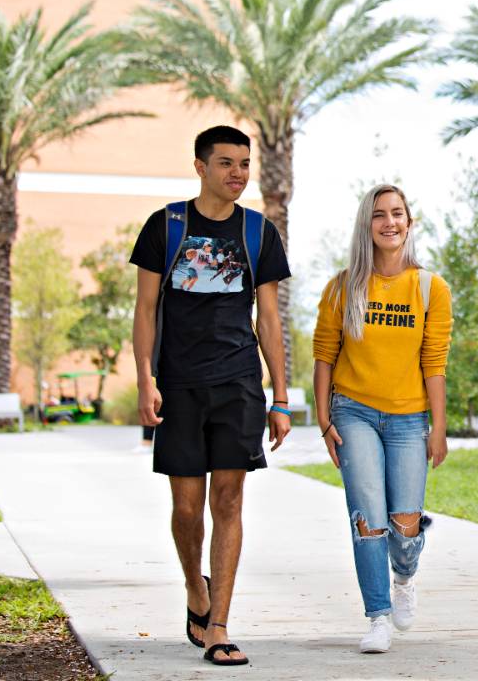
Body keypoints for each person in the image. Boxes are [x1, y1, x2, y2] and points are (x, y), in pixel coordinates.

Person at [130, 125, 292, 667]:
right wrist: (144, 379)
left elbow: (268, 319)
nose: (238, 174)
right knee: (185, 507)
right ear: (200, 167)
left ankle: (218, 622)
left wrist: (281, 397)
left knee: (228, 499)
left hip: (239, 383)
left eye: (244, 164)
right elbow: (145, 310)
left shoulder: (258, 232)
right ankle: (194, 590)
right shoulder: (166, 226)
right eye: (226, 163)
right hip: (178, 382)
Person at [312, 184, 452, 654]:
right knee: (368, 518)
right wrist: (324, 420)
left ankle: (404, 578)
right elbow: (324, 357)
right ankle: (377, 616)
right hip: (353, 412)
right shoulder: (342, 286)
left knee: (404, 522)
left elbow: (434, 363)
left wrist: (439, 428)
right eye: (379, 215)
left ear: (409, 222)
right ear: (366, 225)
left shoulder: (431, 288)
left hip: (410, 418)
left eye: (397, 214)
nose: (389, 222)